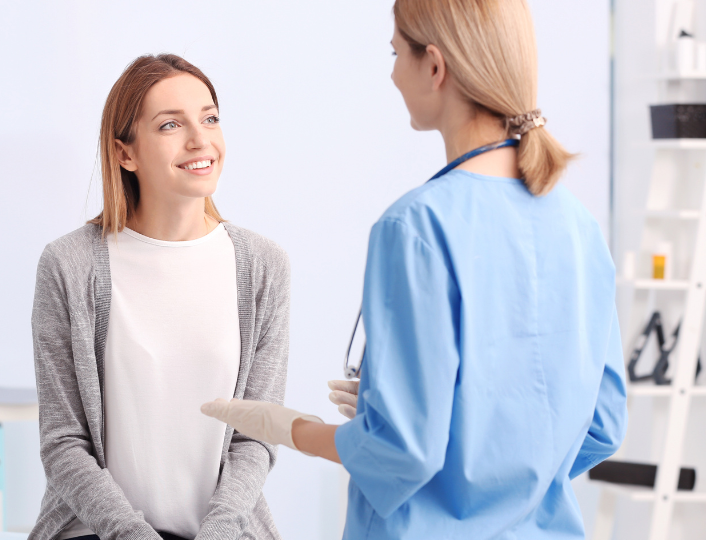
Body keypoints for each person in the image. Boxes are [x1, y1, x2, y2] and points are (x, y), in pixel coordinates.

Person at [201, 1, 628, 538]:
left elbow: (399, 453)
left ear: (434, 66)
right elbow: (603, 426)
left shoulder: (415, 228)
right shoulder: (579, 226)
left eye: (396, 51)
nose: (392, 72)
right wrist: (487, 450)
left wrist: (292, 428)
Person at [30, 54, 290, 540]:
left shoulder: (262, 265)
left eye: (209, 118)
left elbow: (257, 436)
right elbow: (64, 444)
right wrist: (131, 533)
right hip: (99, 533)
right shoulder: (69, 266)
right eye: (171, 124)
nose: (200, 140)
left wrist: (217, 533)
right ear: (125, 153)